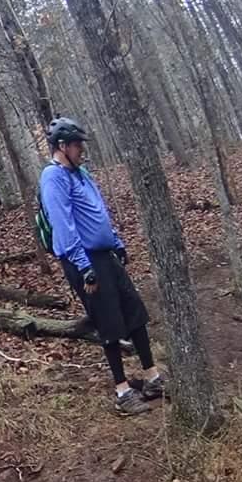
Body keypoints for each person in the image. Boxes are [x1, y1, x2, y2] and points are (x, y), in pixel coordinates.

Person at [38, 117, 166, 416]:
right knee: (108, 323)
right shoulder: (52, 177)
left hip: (104, 253)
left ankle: (152, 378)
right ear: (62, 146)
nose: (81, 149)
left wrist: (116, 241)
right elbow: (62, 224)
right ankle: (122, 392)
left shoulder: (81, 173)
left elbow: (98, 212)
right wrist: (84, 267)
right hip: (82, 259)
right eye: (77, 144)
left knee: (135, 313)